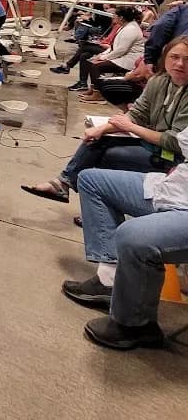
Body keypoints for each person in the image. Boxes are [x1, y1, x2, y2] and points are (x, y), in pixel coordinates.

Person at [21, 36, 188, 203]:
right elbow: (138, 114)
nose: (179, 64)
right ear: (165, 57)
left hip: (177, 158)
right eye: (174, 57)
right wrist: (102, 129)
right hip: (157, 144)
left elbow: (176, 142)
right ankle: (64, 185)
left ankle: (99, 208)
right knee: (96, 139)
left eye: (187, 60)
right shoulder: (159, 81)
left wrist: (130, 126)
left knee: (109, 156)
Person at [60, 133, 188, 349]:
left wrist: (130, 126)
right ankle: (109, 280)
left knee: (133, 236)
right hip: (176, 187)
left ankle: (137, 324)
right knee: (91, 180)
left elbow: (174, 140)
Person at [74, 6, 144, 101]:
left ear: (121, 18)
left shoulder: (131, 29)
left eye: (115, 15)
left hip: (128, 60)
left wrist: (103, 58)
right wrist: (101, 55)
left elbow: (121, 50)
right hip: (120, 56)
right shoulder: (124, 27)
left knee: (96, 66)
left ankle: (98, 94)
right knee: (88, 58)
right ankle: (92, 89)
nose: (113, 17)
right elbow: (113, 46)